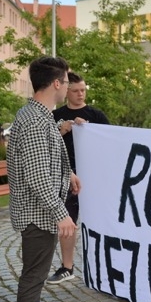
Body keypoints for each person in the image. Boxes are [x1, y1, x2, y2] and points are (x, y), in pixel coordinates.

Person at [7, 56, 78, 302]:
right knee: (33, 277)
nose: (69, 88)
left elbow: (46, 159)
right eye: (66, 82)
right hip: (38, 213)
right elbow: (37, 176)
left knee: (33, 275)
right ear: (56, 83)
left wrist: (69, 173)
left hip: (39, 210)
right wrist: (61, 213)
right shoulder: (36, 120)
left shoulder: (38, 114)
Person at [48, 72, 109, 284]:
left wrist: (90, 129)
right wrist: (61, 130)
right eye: (75, 90)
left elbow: (110, 142)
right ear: (66, 92)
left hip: (94, 175)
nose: (80, 94)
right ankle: (67, 266)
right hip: (65, 175)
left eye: (83, 90)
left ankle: (104, 264)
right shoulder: (55, 116)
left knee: (101, 220)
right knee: (67, 221)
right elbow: (44, 145)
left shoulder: (96, 114)